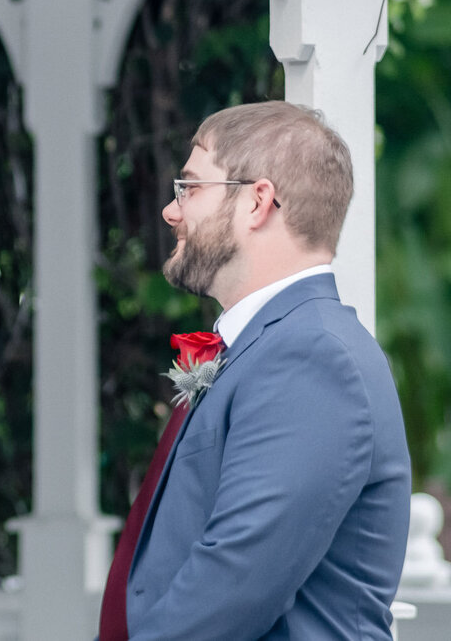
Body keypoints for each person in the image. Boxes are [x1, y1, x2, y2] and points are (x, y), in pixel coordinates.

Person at [107, 102, 410, 641]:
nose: (170, 212)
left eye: (191, 188)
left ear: (257, 202)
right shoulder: (267, 347)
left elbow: (231, 589)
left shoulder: (315, 359)